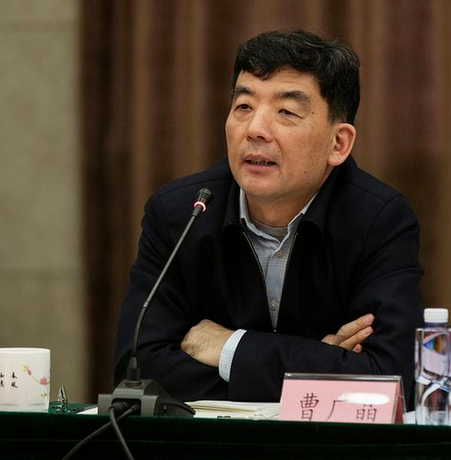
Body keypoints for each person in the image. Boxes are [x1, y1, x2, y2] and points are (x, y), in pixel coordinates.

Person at [114, 29, 424, 404]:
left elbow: (389, 381)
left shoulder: (379, 220)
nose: (255, 130)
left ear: (338, 143)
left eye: (286, 112)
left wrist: (230, 348)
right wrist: (318, 363)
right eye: (244, 106)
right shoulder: (181, 213)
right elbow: (137, 370)